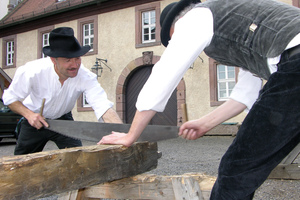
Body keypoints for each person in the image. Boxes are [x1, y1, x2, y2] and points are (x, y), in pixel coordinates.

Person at [99, 0, 300, 199]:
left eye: (173, 39)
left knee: (236, 168)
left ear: (176, 25)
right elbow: (245, 93)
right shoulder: (242, 29)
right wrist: (204, 123)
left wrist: (130, 135)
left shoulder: (195, 16)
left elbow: (164, 74)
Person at [3, 27, 122, 155]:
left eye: (77, 59)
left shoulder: (85, 76)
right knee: (20, 164)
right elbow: (10, 99)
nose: (75, 65)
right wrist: (29, 115)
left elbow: (103, 106)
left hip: (63, 120)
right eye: (68, 60)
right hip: (34, 120)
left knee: (78, 158)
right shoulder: (32, 71)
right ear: (53, 60)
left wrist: (121, 132)